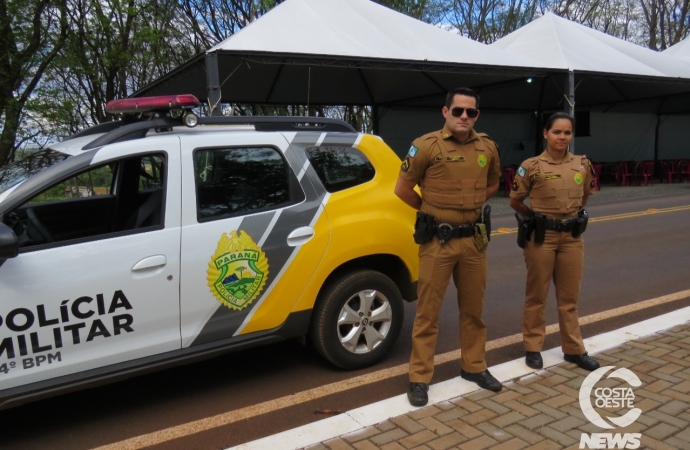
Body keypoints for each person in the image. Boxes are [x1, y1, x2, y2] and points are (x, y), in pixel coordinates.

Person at [395, 87, 502, 407]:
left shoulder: (488, 147)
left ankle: (474, 366)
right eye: (458, 111)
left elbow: (493, 183)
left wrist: (466, 207)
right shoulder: (425, 146)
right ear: (446, 112)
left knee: (474, 310)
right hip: (437, 242)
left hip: (473, 241)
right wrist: (432, 210)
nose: (464, 117)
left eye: (470, 112)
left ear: (477, 115)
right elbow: (402, 189)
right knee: (428, 313)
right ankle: (419, 377)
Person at [509, 112, 600, 372]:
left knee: (569, 298)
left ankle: (573, 350)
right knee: (537, 295)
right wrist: (535, 218)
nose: (562, 137)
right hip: (542, 237)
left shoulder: (583, 164)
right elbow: (515, 200)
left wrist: (569, 216)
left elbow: (585, 196)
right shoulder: (532, 165)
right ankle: (533, 347)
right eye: (557, 132)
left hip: (572, 237)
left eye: (567, 132)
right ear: (545, 133)